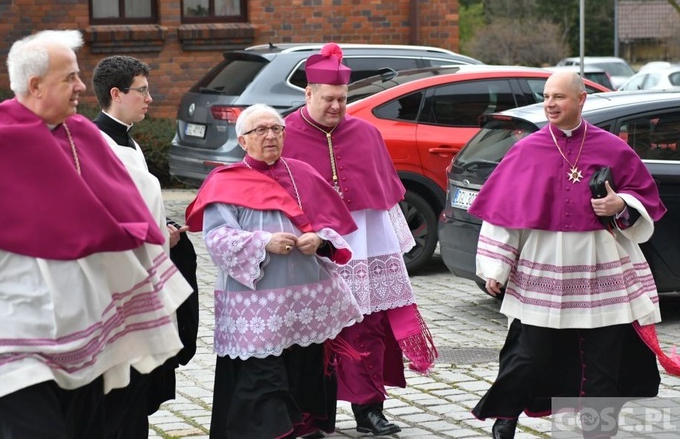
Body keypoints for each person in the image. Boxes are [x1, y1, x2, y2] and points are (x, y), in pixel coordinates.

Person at [0, 30, 192, 439]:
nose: (81, 86)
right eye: (70, 78)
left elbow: (129, 210)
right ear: (35, 85)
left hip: (82, 341)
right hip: (10, 342)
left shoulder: (82, 137)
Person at [468, 70, 671, 438]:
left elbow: (643, 200)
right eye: (546, 96)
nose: (550, 104)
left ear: (581, 100)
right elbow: (504, 214)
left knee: (603, 362)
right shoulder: (526, 150)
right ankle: (506, 416)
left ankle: (598, 432)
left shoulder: (612, 147)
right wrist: (496, 268)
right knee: (528, 355)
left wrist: (619, 204)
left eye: (559, 97)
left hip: (602, 270)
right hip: (545, 268)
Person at [282, 42, 437, 436]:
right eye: (329, 99)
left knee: (366, 328)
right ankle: (309, 415)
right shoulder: (283, 134)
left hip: (364, 244)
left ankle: (369, 411)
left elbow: (384, 200)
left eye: (343, 99)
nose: (336, 107)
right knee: (309, 332)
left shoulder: (366, 133)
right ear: (309, 93)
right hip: (308, 247)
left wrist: (394, 247)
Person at [185, 103, 364, 439]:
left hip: (306, 298)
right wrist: (262, 242)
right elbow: (217, 238)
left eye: (276, 129)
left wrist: (319, 240)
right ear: (243, 141)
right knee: (263, 379)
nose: (270, 136)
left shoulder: (304, 174)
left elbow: (332, 228)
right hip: (257, 304)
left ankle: (303, 426)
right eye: (260, 130)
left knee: (305, 369)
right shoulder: (224, 182)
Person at [91, 55, 199, 438]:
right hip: (116, 287)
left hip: (146, 279)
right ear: (117, 94)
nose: (150, 98)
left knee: (136, 389)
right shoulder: (96, 145)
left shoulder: (129, 140)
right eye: (142, 90)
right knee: (118, 390)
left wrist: (162, 230)